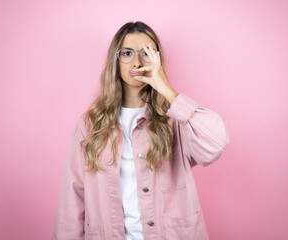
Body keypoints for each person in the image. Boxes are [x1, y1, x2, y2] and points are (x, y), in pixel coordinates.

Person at [54, 21, 229, 240]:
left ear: (157, 61)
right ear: (115, 60)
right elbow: (72, 199)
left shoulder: (175, 118)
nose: (137, 62)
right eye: (127, 53)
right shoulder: (90, 124)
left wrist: (166, 88)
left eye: (146, 53)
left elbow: (216, 142)